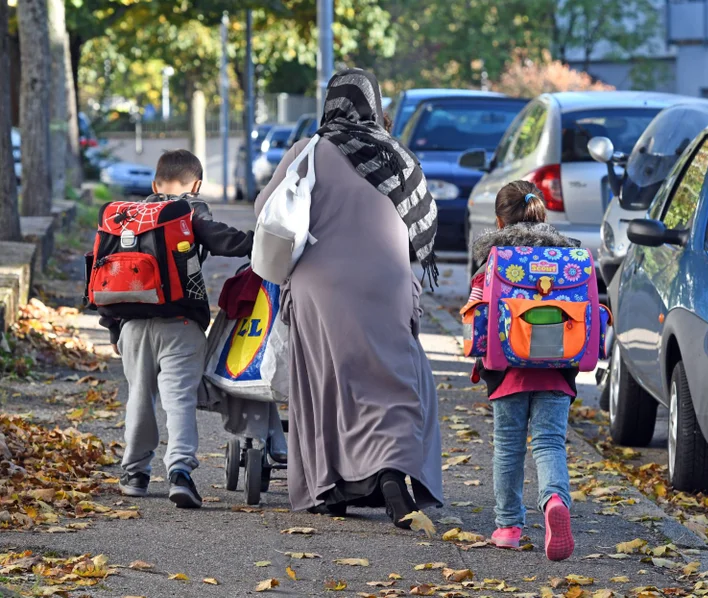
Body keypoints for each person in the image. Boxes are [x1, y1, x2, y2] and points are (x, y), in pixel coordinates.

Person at [253, 69, 443, 526]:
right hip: (389, 283)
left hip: (322, 287)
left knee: (328, 382)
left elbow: (266, 210)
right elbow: (425, 220)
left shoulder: (310, 151)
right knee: (393, 380)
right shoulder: (397, 156)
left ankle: (331, 486)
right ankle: (394, 474)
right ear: (374, 107)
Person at [100, 149, 254, 508]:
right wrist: (263, 241)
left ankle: (135, 474)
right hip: (182, 325)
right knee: (179, 400)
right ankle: (180, 473)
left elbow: (106, 273)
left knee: (140, 398)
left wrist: (113, 330)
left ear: (154, 184)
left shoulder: (126, 218)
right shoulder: (190, 210)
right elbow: (224, 240)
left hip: (133, 324)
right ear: (197, 185)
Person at [467, 181, 577, 561]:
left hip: (508, 370)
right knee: (549, 443)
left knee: (509, 448)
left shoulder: (494, 260)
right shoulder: (569, 256)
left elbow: (476, 314)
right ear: (540, 213)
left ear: (499, 220)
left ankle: (508, 526)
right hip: (558, 368)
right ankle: (553, 502)